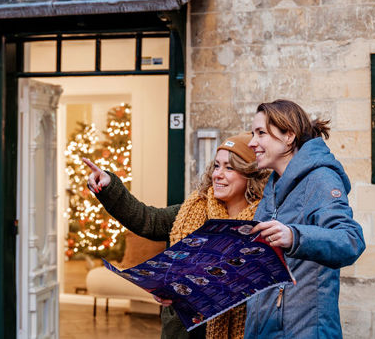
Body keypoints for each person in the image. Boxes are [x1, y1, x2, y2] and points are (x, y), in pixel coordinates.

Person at [84, 132, 270, 339]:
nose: (218, 174)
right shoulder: (193, 210)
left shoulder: (266, 221)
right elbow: (148, 220)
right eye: (217, 166)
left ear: (250, 175)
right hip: (184, 330)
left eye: (229, 168)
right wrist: (109, 186)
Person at [247, 99, 366, 339]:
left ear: (288, 136)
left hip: (304, 331)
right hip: (263, 330)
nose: (252, 143)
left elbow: (350, 240)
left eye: (261, 133)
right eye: (253, 134)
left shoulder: (320, 179)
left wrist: (294, 236)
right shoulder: (272, 187)